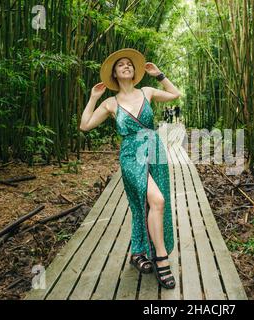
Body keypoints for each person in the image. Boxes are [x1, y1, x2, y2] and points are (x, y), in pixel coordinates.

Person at [79, 48, 182, 289]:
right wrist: (93, 97)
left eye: (129, 64)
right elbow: (85, 126)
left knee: (142, 204)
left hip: (155, 150)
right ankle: (161, 258)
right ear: (114, 73)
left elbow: (175, 94)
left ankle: (138, 253)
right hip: (130, 156)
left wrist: (159, 75)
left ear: (134, 72)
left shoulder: (147, 92)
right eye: (121, 65)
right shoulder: (110, 103)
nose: (126, 66)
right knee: (156, 200)